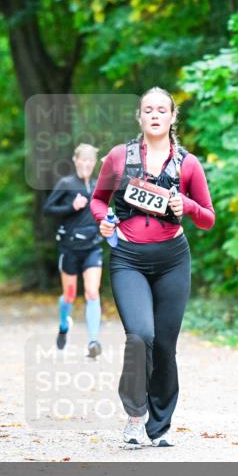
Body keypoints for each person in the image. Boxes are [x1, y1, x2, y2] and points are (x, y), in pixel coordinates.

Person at [89, 87, 215, 447]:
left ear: (173, 117)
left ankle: (158, 428)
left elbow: (208, 219)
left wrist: (185, 205)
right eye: (149, 110)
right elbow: (98, 201)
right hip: (129, 260)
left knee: (164, 346)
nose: (156, 115)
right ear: (140, 117)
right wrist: (105, 220)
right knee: (140, 336)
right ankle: (133, 416)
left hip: (173, 260)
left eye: (163, 109)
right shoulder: (118, 157)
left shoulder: (188, 164)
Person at [43, 143, 104, 358]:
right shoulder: (66, 183)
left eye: (90, 160)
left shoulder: (99, 186)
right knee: (69, 295)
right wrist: (72, 207)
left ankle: (93, 342)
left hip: (92, 247)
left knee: (92, 291)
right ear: (76, 160)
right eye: (83, 160)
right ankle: (63, 326)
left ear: (94, 163)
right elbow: (48, 209)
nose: (86, 164)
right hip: (69, 247)